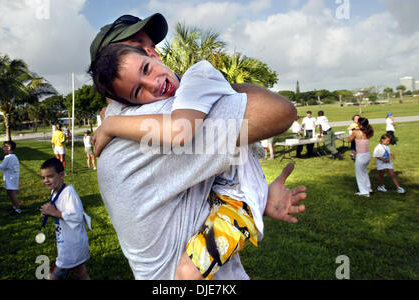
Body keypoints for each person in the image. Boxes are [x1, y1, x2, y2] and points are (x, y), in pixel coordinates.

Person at [89, 13, 306, 280]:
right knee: (188, 273)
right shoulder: (153, 120)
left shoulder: (131, 119)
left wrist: (257, 198)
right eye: (134, 44)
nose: (152, 50)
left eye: (149, 48)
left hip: (225, 219)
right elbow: (280, 111)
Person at [40, 158, 90, 280]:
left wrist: (54, 212)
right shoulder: (55, 191)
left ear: (62, 175)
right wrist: (49, 212)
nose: (46, 180)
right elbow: (59, 211)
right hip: (67, 241)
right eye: (43, 177)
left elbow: (77, 217)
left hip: (72, 246)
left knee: (53, 277)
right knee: (80, 273)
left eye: (50, 176)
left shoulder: (69, 193)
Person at [0, 141, 21, 215]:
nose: (3, 148)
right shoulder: (13, 156)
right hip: (11, 177)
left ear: (8, 148)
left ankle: (18, 209)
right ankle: (15, 206)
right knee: (9, 192)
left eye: (4, 147)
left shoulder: (8, 157)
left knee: (12, 193)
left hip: (11, 178)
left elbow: (1, 167)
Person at [348, 117, 374, 197]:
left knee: (359, 174)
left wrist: (353, 129)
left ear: (360, 125)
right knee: (364, 172)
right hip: (367, 154)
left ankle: (364, 192)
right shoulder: (369, 131)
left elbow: (349, 140)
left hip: (361, 156)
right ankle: (368, 188)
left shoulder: (356, 132)